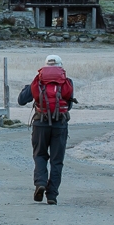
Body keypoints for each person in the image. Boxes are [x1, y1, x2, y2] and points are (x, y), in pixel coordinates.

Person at [18, 54, 74, 205]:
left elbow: (21, 100)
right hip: (60, 124)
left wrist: (28, 89)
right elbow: (68, 105)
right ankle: (52, 195)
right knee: (57, 161)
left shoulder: (38, 80)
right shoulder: (67, 82)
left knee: (40, 155)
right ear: (61, 66)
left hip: (40, 123)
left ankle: (40, 183)